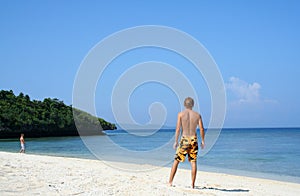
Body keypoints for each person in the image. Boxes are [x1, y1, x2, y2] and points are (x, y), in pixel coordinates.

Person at [168, 97, 205, 189]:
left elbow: (178, 129)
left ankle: (170, 182)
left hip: (184, 139)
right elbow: (201, 128)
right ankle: (192, 184)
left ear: (184, 105)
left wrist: (176, 141)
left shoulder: (180, 114)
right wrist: (203, 140)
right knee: (193, 162)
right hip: (193, 139)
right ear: (193, 105)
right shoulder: (197, 115)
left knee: (176, 161)